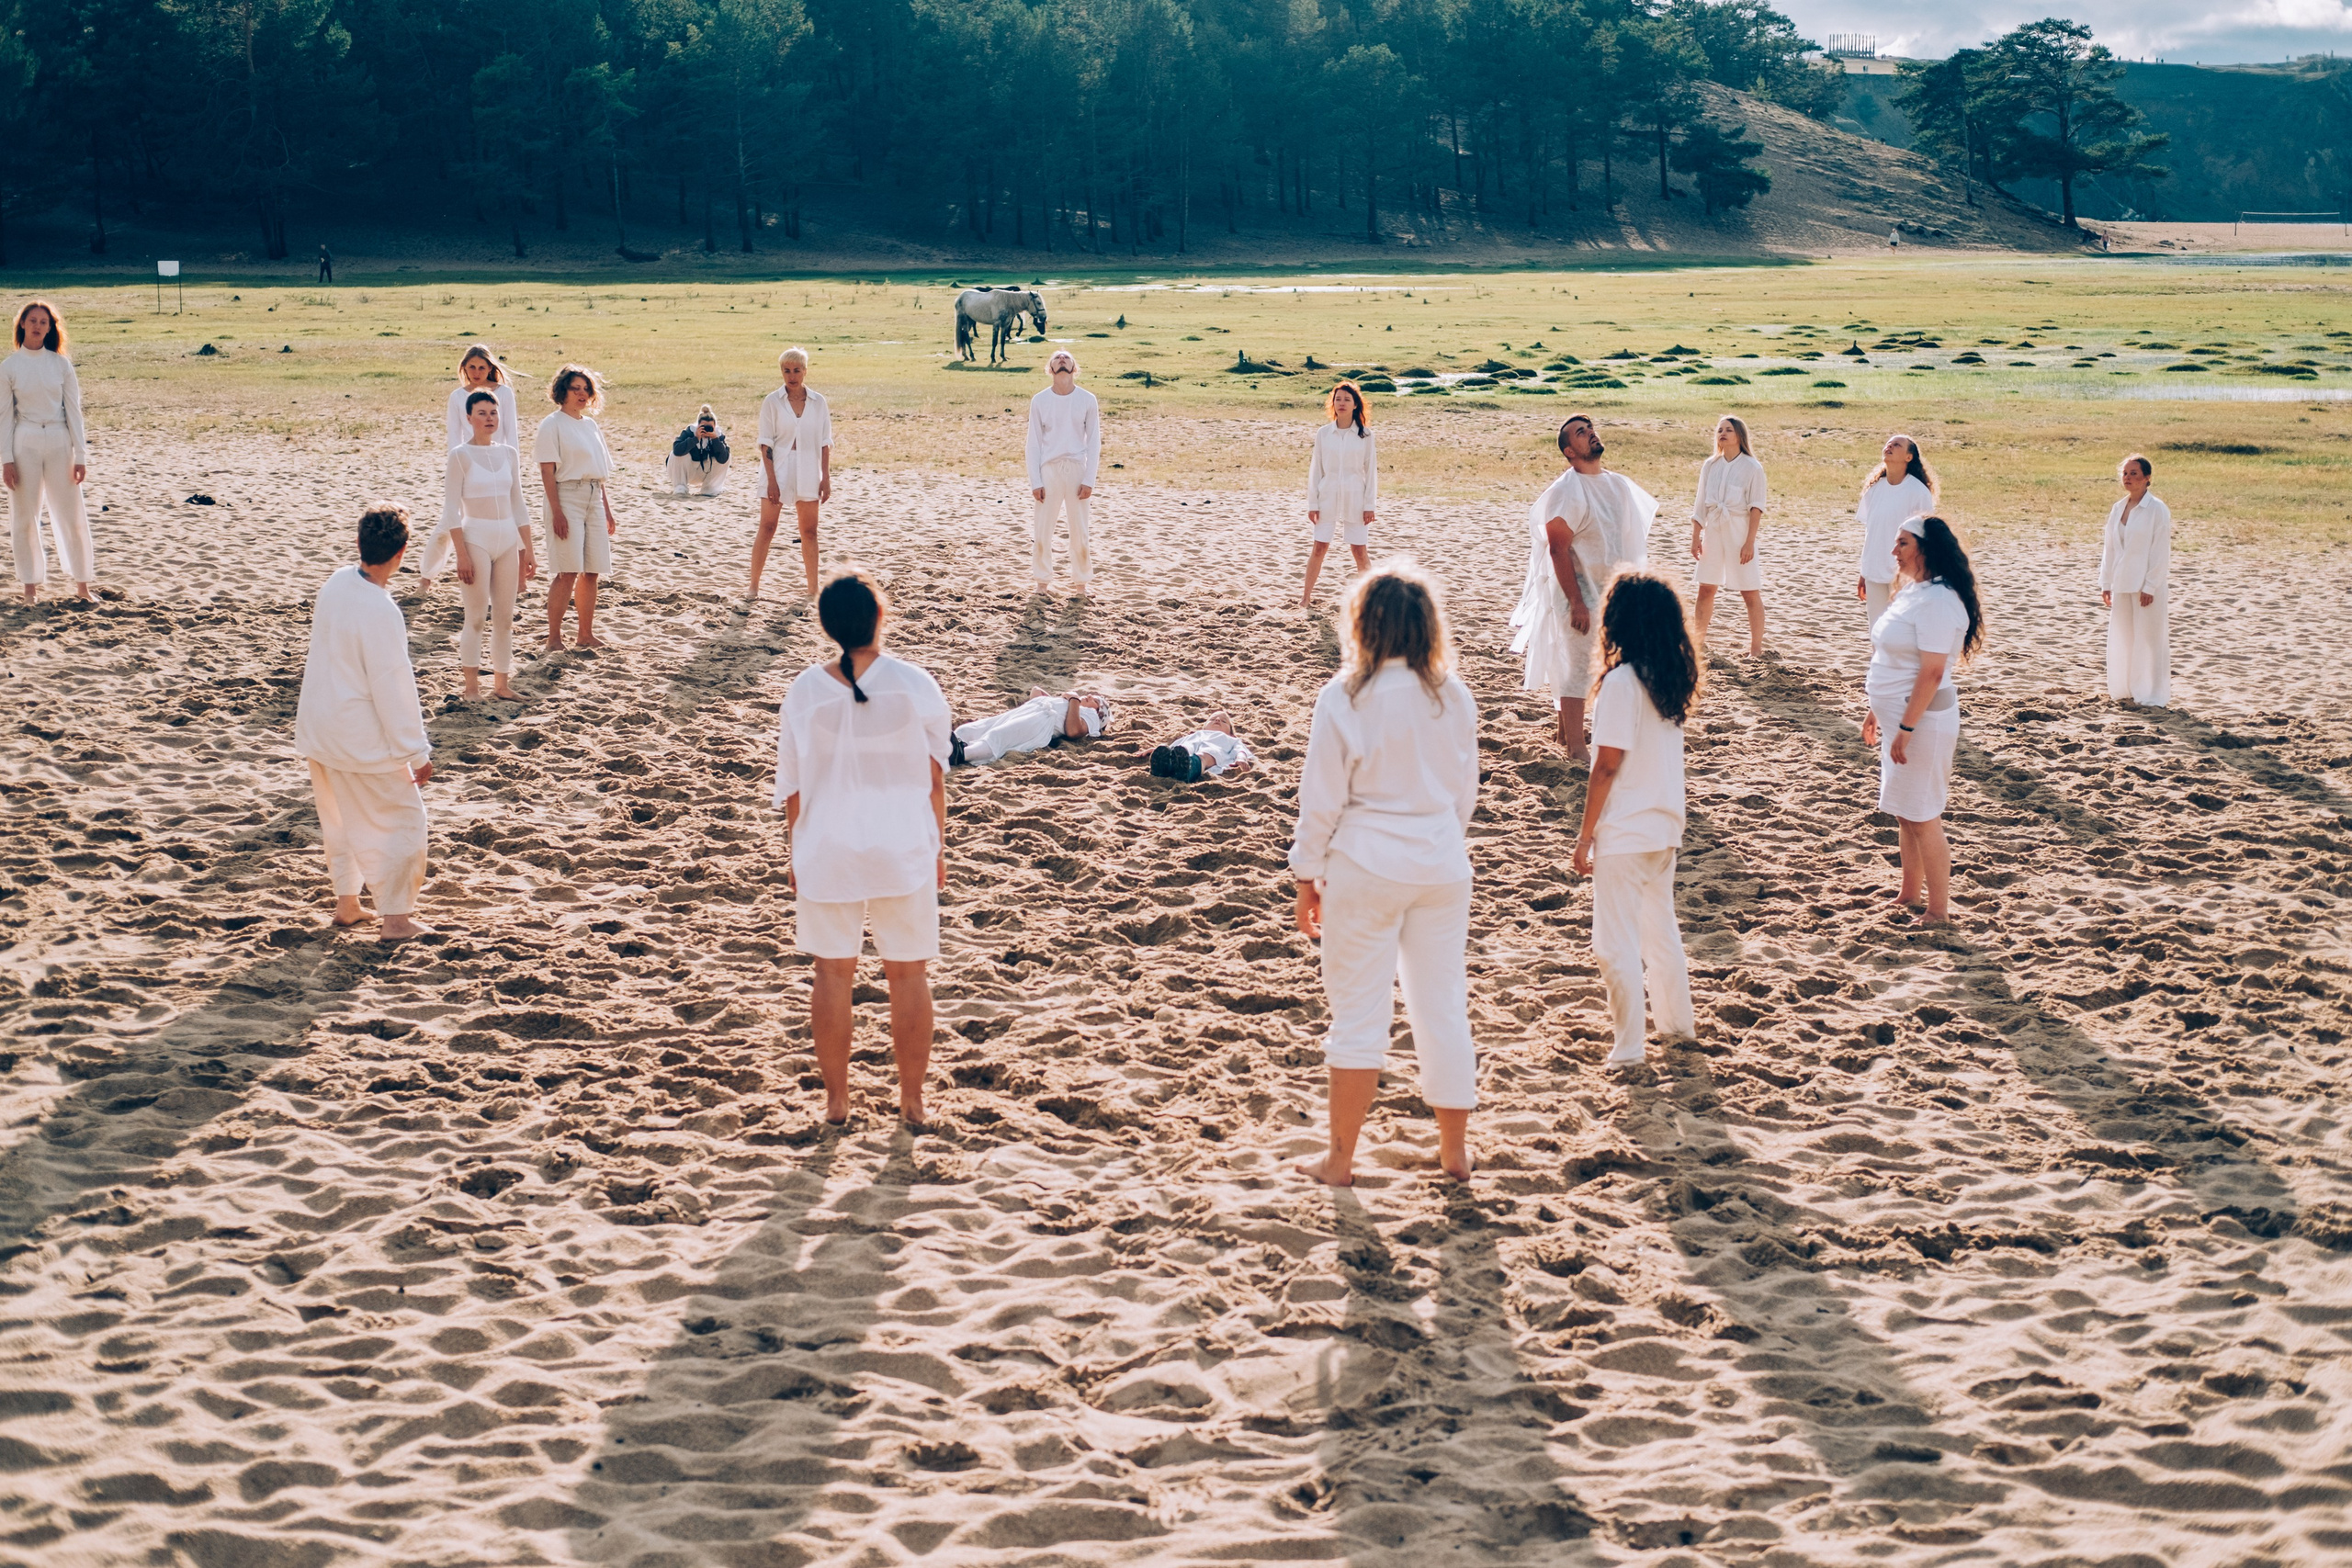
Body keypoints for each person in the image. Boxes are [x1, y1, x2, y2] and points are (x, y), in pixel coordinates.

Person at [1290, 560, 1480, 1186]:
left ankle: (1340, 1160)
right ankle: (1454, 1152)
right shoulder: (1452, 695)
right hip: (1441, 865)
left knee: (1359, 1015)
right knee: (1443, 1006)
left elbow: (1321, 799)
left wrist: (1305, 875)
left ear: (1363, 626)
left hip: (1366, 864)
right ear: (1428, 628)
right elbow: (1463, 794)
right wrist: (1437, 836)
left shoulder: (1344, 695)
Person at [772, 570, 951, 1126]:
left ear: (828, 627)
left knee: (832, 973)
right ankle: (913, 1101)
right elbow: (935, 779)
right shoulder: (916, 684)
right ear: (880, 617)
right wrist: (939, 847)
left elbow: (792, 790)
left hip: (827, 844)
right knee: (908, 973)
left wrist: (795, 851)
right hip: (902, 843)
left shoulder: (804, 690)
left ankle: (837, 1102)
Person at [1569, 572, 1700, 1068]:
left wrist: (1586, 835)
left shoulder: (1622, 683)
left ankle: (1628, 1048)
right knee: (1659, 931)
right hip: (1664, 824)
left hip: (1626, 829)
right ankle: (1677, 1025)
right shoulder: (1668, 679)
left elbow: (1605, 766)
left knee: (1613, 942)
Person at [294, 506, 434, 941]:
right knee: (403, 819)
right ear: (402, 553)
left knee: (339, 820)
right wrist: (416, 751)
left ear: (359, 544)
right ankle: (396, 920)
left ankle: (348, 905)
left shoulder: (336, 582)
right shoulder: (382, 610)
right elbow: (393, 688)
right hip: (356, 735)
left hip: (319, 727)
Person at [1509, 414, 1657, 762]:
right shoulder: (1565, 492)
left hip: (1613, 592)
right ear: (1569, 452)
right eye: (1580, 432)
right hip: (1577, 592)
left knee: (1614, 663)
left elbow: (1624, 542)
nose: (1590, 434)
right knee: (1577, 666)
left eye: (1590, 429)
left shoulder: (1618, 485)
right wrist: (1576, 601)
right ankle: (1576, 745)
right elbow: (1558, 549)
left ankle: (1564, 732)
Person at [1860, 515, 1984, 925]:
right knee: (1904, 809)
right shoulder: (1915, 592)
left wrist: (1908, 729)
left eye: (1903, 543)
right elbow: (1893, 659)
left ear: (1926, 549)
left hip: (1924, 722)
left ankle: (1938, 910)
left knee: (1923, 814)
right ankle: (1909, 893)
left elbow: (1931, 673)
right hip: (1898, 716)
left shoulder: (1941, 602)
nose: (1894, 550)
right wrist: (1877, 709)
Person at [442, 390, 537, 701]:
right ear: (468, 418)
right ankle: (471, 688)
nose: (489, 419)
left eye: (493, 413)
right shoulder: (459, 455)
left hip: (508, 540)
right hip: (475, 539)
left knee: (505, 619)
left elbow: (518, 503)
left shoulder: (509, 453)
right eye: (482, 413)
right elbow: (451, 510)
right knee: (476, 617)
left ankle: (501, 685)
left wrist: (529, 549)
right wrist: (461, 554)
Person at [3, 299, 92, 604]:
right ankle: (30, 588)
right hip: (24, 441)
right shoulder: (9, 366)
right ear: (23, 325)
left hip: (58, 441)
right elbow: (4, 416)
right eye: (33, 320)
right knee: (24, 517)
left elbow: (75, 412)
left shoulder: (61, 364)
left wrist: (80, 455)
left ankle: (82, 585)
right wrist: (6, 460)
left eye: (44, 321)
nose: (38, 325)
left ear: (51, 327)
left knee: (71, 514)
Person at [422, 344, 522, 590]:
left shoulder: (504, 393)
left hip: (500, 464)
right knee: (449, 522)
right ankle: (426, 577)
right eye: (472, 367)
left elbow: (511, 432)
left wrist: (511, 468)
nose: (477, 372)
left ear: (490, 368)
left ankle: (519, 581)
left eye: (482, 367)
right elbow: (453, 437)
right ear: (464, 368)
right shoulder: (457, 397)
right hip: (467, 464)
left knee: (510, 518)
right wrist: (457, 468)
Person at [535, 363, 618, 650]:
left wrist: (606, 510)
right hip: (565, 496)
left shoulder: (591, 425)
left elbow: (599, 472)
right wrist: (556, 511)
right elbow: (547, 472)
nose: (582, 394)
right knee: (567, 570)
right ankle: (554, 638)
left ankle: (585, 634)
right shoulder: (552, 424)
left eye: (586, 389)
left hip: (593, 497)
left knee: (592, 570)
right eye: (576, 388)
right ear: (562, 391)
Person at [753, 348, 831, 601]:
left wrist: (825, 477)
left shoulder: (819, 403)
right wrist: (772, 481)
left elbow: (824, 442)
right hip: (778, 469)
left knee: (809, 531)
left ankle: (812, 589)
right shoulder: (772, 402)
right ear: (781, 372)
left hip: (809, 468)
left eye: (797, 370)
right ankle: (753, 587)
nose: (792, 376)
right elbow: (766, 444)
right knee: (768, 527)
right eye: (787, 370)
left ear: (805, 371)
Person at [1688, 414, 1768, 657]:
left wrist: (1749, 542)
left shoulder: (1753, 468)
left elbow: (1756, 507)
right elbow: (1700, 503)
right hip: (1714, 531)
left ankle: (1756, 649)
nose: (1722, 433)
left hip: (1739, 532)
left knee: (1749, 590)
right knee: (1706, 587)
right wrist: (1695, 536)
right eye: (1719, 429)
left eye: (1729, 430)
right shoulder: (1710, 465)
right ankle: (1698, 643)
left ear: (1739, 435)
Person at [2098, 453, 2170, 707]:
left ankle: (2151, 693)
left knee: (2149, 640)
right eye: (2125, 473)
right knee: (2123, 637)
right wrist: (2106, 583)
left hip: (2147, 586)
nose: (2128, 478)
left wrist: (2150, 585)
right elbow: (2110, 548)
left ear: (2147, 478)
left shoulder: (2157, 509)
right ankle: (2124, 689)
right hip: (2122, 582)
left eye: (2134, 474)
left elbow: (2160, 550)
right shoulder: (2118, 508)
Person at [1025, 349, 1100, 593]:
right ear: (1050, 368)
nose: (1061, 358)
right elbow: (1033, 443)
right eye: (1057, 357)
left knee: (1080, 531)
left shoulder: (1088, 399)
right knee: (1043, 530)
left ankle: (1081, 584)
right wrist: (1035, 481)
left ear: (1074, 367)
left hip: (1078, 468)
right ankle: (1042, 582)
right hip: (1049, 469)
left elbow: (1094, 442)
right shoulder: (1040, 400)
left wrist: (1089, 479)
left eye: (1066, 356)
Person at [1301, 381, 1377, 607]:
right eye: (1338, 399)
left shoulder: (1366, 435)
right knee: (1319, 547)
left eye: (1347, 399)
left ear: (1355, 405)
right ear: (1332, 404)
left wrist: (1369, 505)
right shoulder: (1323, 434)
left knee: (1359, 551)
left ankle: (1372, 600)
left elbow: (1370, 472)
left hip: (1356, 498)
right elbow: (1316, 470)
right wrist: (1312, 503)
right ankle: (1305, 598)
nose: (1342, 403)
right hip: (1327, 497)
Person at [1856, 433, 1937, 626]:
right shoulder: (1874, 489)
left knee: (1901, 632)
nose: (1889, 446)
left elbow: (1925, 538)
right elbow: (1872, 533)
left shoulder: (1918, 492)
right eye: (1888, 444)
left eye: (1897, 445)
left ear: (1909, 457)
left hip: (1904, 575)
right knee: (1877, 633)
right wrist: (1864, 572)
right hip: (1874, 572)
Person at [951, 688, 1112, 766]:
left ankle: (963, 754)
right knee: (982, 727)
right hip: (1031, 712)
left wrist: (1074, 700)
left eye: (1096, 700)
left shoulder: (1089, 717)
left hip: (1040, 723)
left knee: (1001, 735)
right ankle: (955, 740)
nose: (1090, 695)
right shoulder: (1070, 705)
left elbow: (1074, 731)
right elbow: (1036, 691)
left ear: (1098, 713)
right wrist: (1059, 699)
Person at [1148, 715, 1256, 782]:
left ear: (1231, 733)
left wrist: (1241, 758)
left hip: (1209, 755)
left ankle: (1188, 770)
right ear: (1204, 727)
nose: (1217, 720)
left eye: (1224, 721)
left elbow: (1240, 750)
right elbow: (1172, 749)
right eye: (1213, 719)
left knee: (1206, 754)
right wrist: (1156, 751)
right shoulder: (1197, 734)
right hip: (1185, 753)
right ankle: (1163, 768)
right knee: (1184, 748)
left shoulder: (1230, 739)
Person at [668, 405, 730, 497]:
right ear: (698, 425)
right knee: (675, 454)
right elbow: (677, 450)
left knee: (727, 454)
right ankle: (680, 487)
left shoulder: (718, 435)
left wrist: (715, 440)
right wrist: (695, 438)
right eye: (703, 427)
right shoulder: (690, 432)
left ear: (715, 426)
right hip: (687, 470)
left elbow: (723, 459)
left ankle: (710, 488)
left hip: (703, 472)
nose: (706, 430)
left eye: (710, 428)